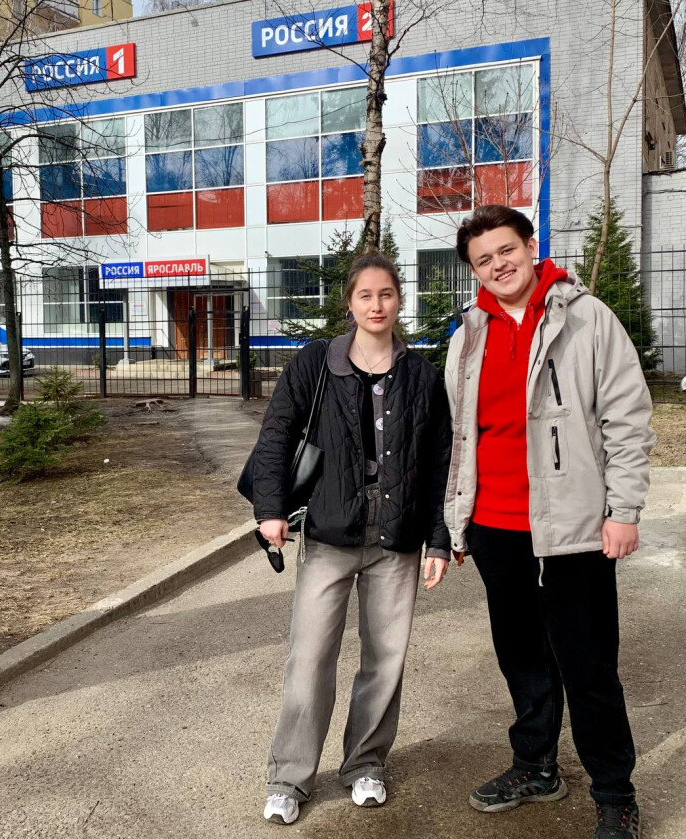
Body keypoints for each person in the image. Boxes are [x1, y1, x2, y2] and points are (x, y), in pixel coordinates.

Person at [444, 205, 655, 839]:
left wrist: (623, 511)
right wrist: (459, 521)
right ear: (474, 270)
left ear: (530, 246)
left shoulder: (586, 318)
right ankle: (536, 766)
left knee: (588, 666)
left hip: (574, 529)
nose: (498, 265)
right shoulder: (468, 336)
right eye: (483, 260)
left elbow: (627, 419)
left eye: (506, 250)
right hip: (496, 528)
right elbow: (459, 436)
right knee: (521, 658)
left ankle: (614, 792)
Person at [253, 253, 452, 825]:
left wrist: (438, 539)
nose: (376, 305)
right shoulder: (317, 362)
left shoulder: (421, 374)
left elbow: (439, 460)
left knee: (385, 659)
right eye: (365, 295)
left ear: (399, 300)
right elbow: (277, 433)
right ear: (350, 302)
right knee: (310, 657)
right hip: (330, 534)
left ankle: (365, 762)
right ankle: (290, 777)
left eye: (386, 294)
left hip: (397, 538)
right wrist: (271, 509)